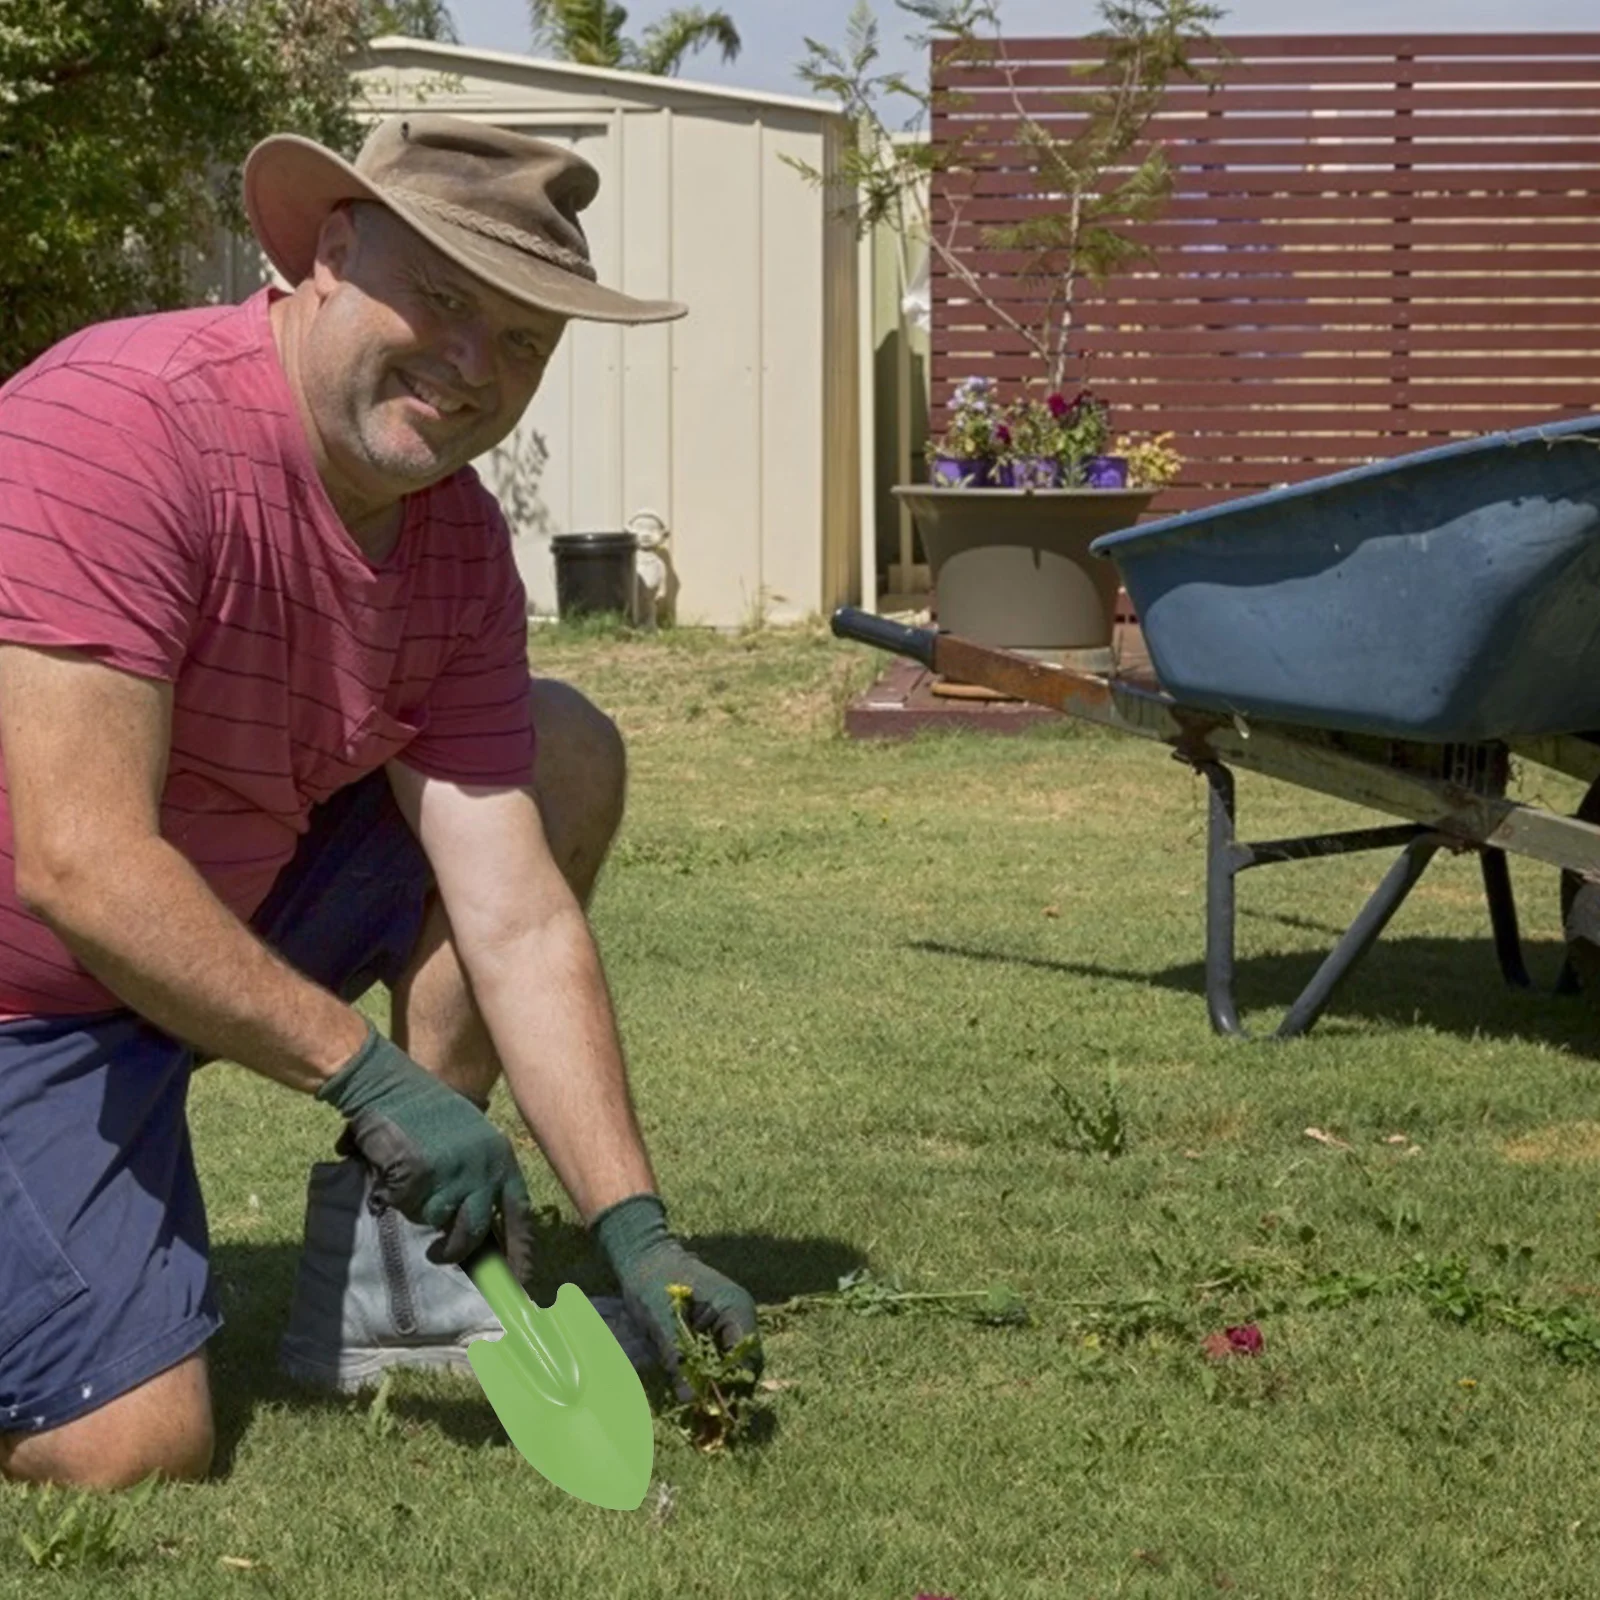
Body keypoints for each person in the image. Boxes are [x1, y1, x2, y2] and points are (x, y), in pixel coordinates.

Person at [0, 113, 762, 1490]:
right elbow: (80, 862)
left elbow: (515, 916)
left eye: (526, 338)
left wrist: (635, 1228)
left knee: (559, 750)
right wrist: (368, 1072)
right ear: (332, 253)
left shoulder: (455, 540)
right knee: (129, 1445)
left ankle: (390, 1278)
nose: (479, 368)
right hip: (26, 996)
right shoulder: (123, 426)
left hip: (222, 903)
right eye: (449, 297)